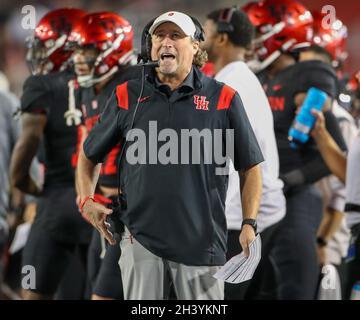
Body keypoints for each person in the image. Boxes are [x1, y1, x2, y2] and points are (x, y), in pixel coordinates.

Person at [77, 11, 264, 300]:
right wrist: (86, 200)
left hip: (202, 245)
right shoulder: (127, 94)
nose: (166, 42)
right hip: (140, 241)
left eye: (176, 36)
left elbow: (250, 167)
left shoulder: (224, 98)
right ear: (148, 46)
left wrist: (250, 223)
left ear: (195, 46)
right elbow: (88, 156)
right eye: (159, 36)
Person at [244, 0, 347, 299]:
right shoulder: (260, 78)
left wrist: (288, 180)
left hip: (295, 198)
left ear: (280, 35)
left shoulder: (308, 73)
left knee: (293, 289)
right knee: (256, 287)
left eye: (257, 32)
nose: (252, 41)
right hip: (258, 200)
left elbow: (332, 153)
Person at [201, 7, 285, 299]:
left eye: (207, 33)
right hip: (253, 214)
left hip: (238, 219)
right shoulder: (240, 77)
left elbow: (238, 161)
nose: (201, 40)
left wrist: (233, 221)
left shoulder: (231, 84)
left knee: (215, 301)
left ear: (222, 39)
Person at [9, 8, 93, 300]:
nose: (40, 53)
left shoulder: (40, 86)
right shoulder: (107, 84)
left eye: (46, 45)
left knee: (32, 291)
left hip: (56, 203)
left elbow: (26, 146)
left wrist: (24, 185)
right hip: (99, 204)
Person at [70, 11, 140, 300]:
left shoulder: (137, 84)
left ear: (114, 50)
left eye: (89, 50)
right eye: (78, 50)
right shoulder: (86, 89)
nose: (80, 58)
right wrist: (86, 199)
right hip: (105, 206)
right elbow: (87, 150)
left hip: (136, 208)